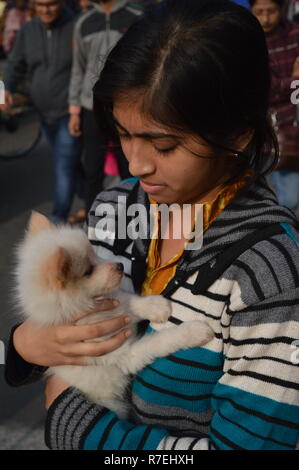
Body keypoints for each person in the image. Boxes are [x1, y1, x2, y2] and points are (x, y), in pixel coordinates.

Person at [5, 0, 299, 450]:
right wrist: (25, 347)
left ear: (238, 132)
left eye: (162, 144)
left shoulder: (271, 275)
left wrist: (78, 428)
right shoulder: (113, 205)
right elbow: (59, 321)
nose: (135, 163)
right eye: (122, 133)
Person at [1, 0, 83, 224]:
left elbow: (85, 67)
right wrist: (4, 90)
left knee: (64, 166)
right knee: (70, 164)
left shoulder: (77, 26)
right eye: (40, 4)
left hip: (70, 112)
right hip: (44, 114)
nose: (46, 9)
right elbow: (14, 64)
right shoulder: (28, 30)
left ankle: (58, 217)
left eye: (51, 4)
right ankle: (91, 199)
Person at [67, 0, 142, 224]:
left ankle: (137, 223)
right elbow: (78, 68)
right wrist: (74, 110)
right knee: (93, 170)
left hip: (126, 108)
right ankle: (93, 226)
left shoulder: (136, 15)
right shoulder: (85, 22)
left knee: (130, 169)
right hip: (91, 108)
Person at [250, 0, 299, 210]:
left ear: (281, 9)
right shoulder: (249, 40)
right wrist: (295, 78)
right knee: (286, 199)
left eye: (271, 11)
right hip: (270, 128)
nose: (266, 18)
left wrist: (283, 84)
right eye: (260, 12)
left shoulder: (295, 34)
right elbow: (266, 90)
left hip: (294, 122)